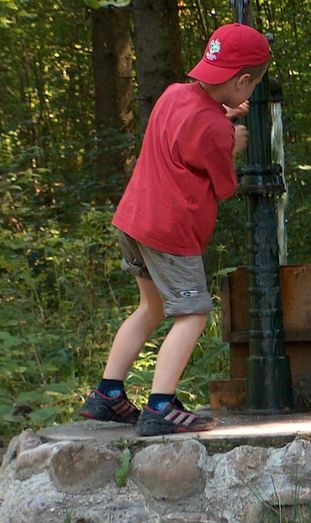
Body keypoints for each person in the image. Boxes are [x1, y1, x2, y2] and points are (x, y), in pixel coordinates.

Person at [79, 23, 270, 436]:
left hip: (133, 220)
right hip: (170, 232)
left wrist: (223, 117)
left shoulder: (172, 94)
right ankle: (160, 406)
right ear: (241, 81)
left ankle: (107, 393)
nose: (251, 95)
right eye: (252, 85)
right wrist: (232, 144)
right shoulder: (219, 132)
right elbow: (225, 187)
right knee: (194, 314)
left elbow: (194, 120)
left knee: (152, 308)